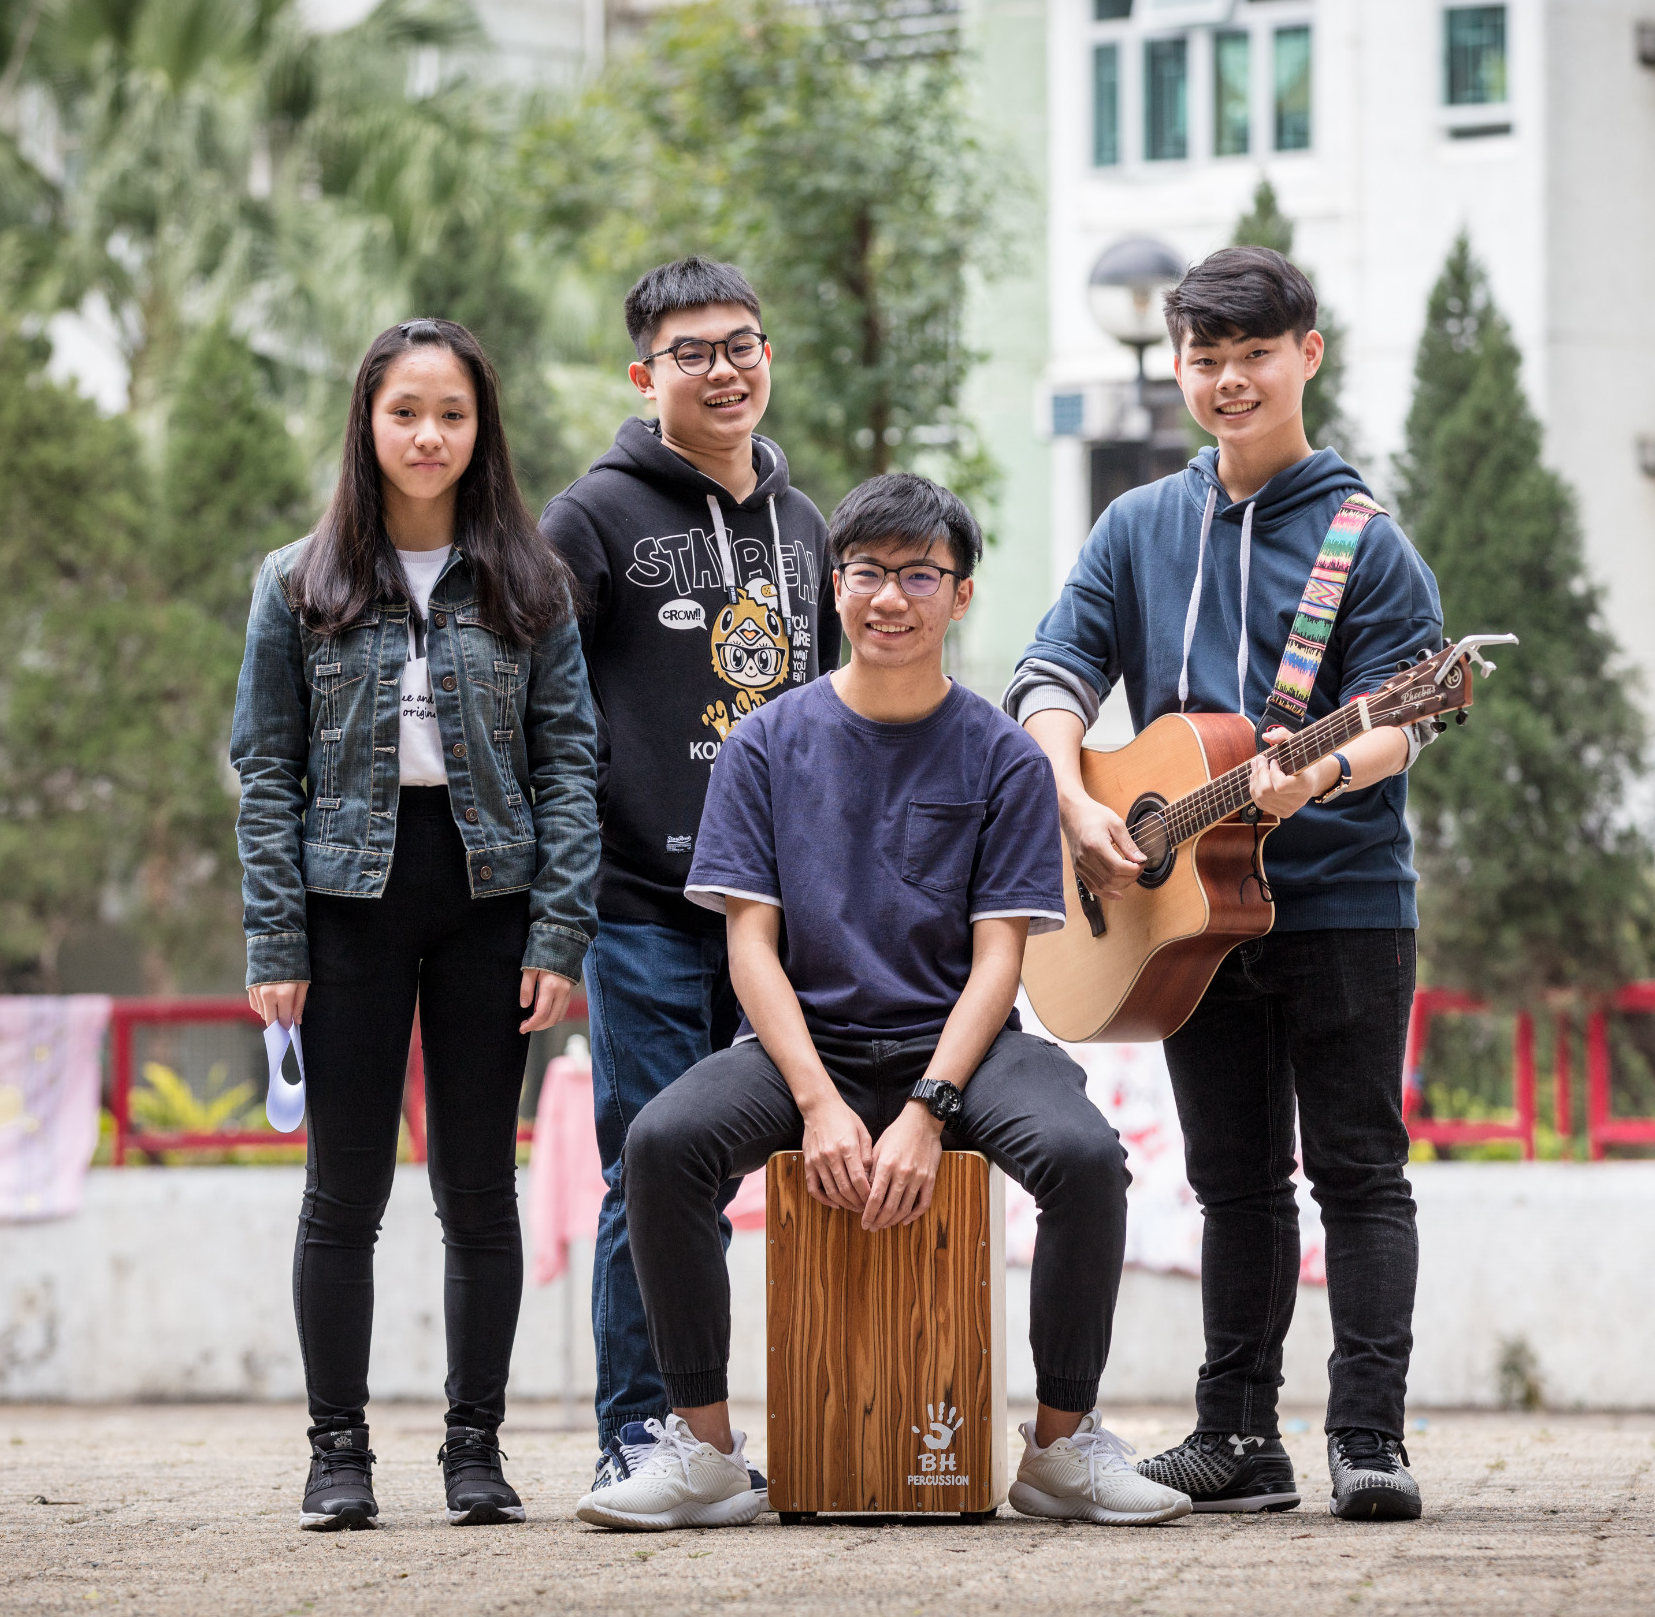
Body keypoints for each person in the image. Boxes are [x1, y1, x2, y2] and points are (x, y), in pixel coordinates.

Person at [576, 473, 1189, 1532]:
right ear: (834, 585)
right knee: (661, 1144)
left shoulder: (1002, 754)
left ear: (960, 595)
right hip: (804, 1044)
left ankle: (1059, 1447)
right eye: (866, 572)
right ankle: (705, 1451)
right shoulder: (765, 743)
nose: (890, 597)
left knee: (1085, 1158)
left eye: (919, 575)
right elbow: (750, 949)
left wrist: (927, 1109)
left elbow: (998, 960)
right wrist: (818, 1101)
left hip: (961, 1046)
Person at [1006, 247, 1446, 1522]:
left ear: (1307, 355)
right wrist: (1071, 795)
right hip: (1182, 916)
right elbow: (1051, 668)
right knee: (1233, 1180)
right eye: (1206, 358)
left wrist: (1322, 774)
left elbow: (1407, 720)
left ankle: (1367, 1438)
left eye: (1255, 354)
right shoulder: (1138, 524)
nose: (1229, 380)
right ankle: (1237, 1436)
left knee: (1357, 1169)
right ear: (1180, 365)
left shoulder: (1366, 542)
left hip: (1343, 898)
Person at [232, 318, 599, 1530]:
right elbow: (266, 770)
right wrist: (275, 942)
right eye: (405, 411)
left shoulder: (530, 583)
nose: (428, 434)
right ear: (368, 424)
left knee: (477, 1189)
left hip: (490, 901)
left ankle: (473, 1451)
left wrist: (557, 931)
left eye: (451, 412)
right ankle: (336, 1453)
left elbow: (570, 762)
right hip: (348, 904)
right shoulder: (298, 582)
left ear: (480, 427)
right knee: (342, 1192)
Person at [538, 258, 839, 1491]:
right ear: (643, 373)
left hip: (790, 916)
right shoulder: (588, 520)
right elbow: (544, 717)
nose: (724, 370)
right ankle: (639, 1437)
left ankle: (801, 1431)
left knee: (809, 1162)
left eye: (741, 345)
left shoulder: (810, 528)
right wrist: (558, 903)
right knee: (653, 1169)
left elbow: (837, 715)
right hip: (644, 909)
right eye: (692, 352)